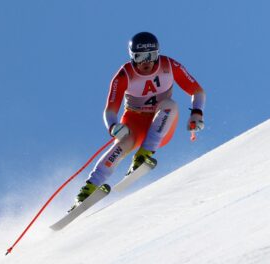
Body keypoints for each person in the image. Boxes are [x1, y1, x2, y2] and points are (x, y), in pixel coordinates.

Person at [71, 32, 206, 209]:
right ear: (132, 56)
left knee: (170, 104)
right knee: (123, 143)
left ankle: (143, 155)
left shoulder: (169, 65)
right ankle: (88, 189)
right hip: (135, 121)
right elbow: (110, 110)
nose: (146, 62)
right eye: (140, 57)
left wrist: (197, 113)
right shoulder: (124, 74)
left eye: (151, 55)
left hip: (162, 123)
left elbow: (197, 91)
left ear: (158, 53)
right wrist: (114, 127)